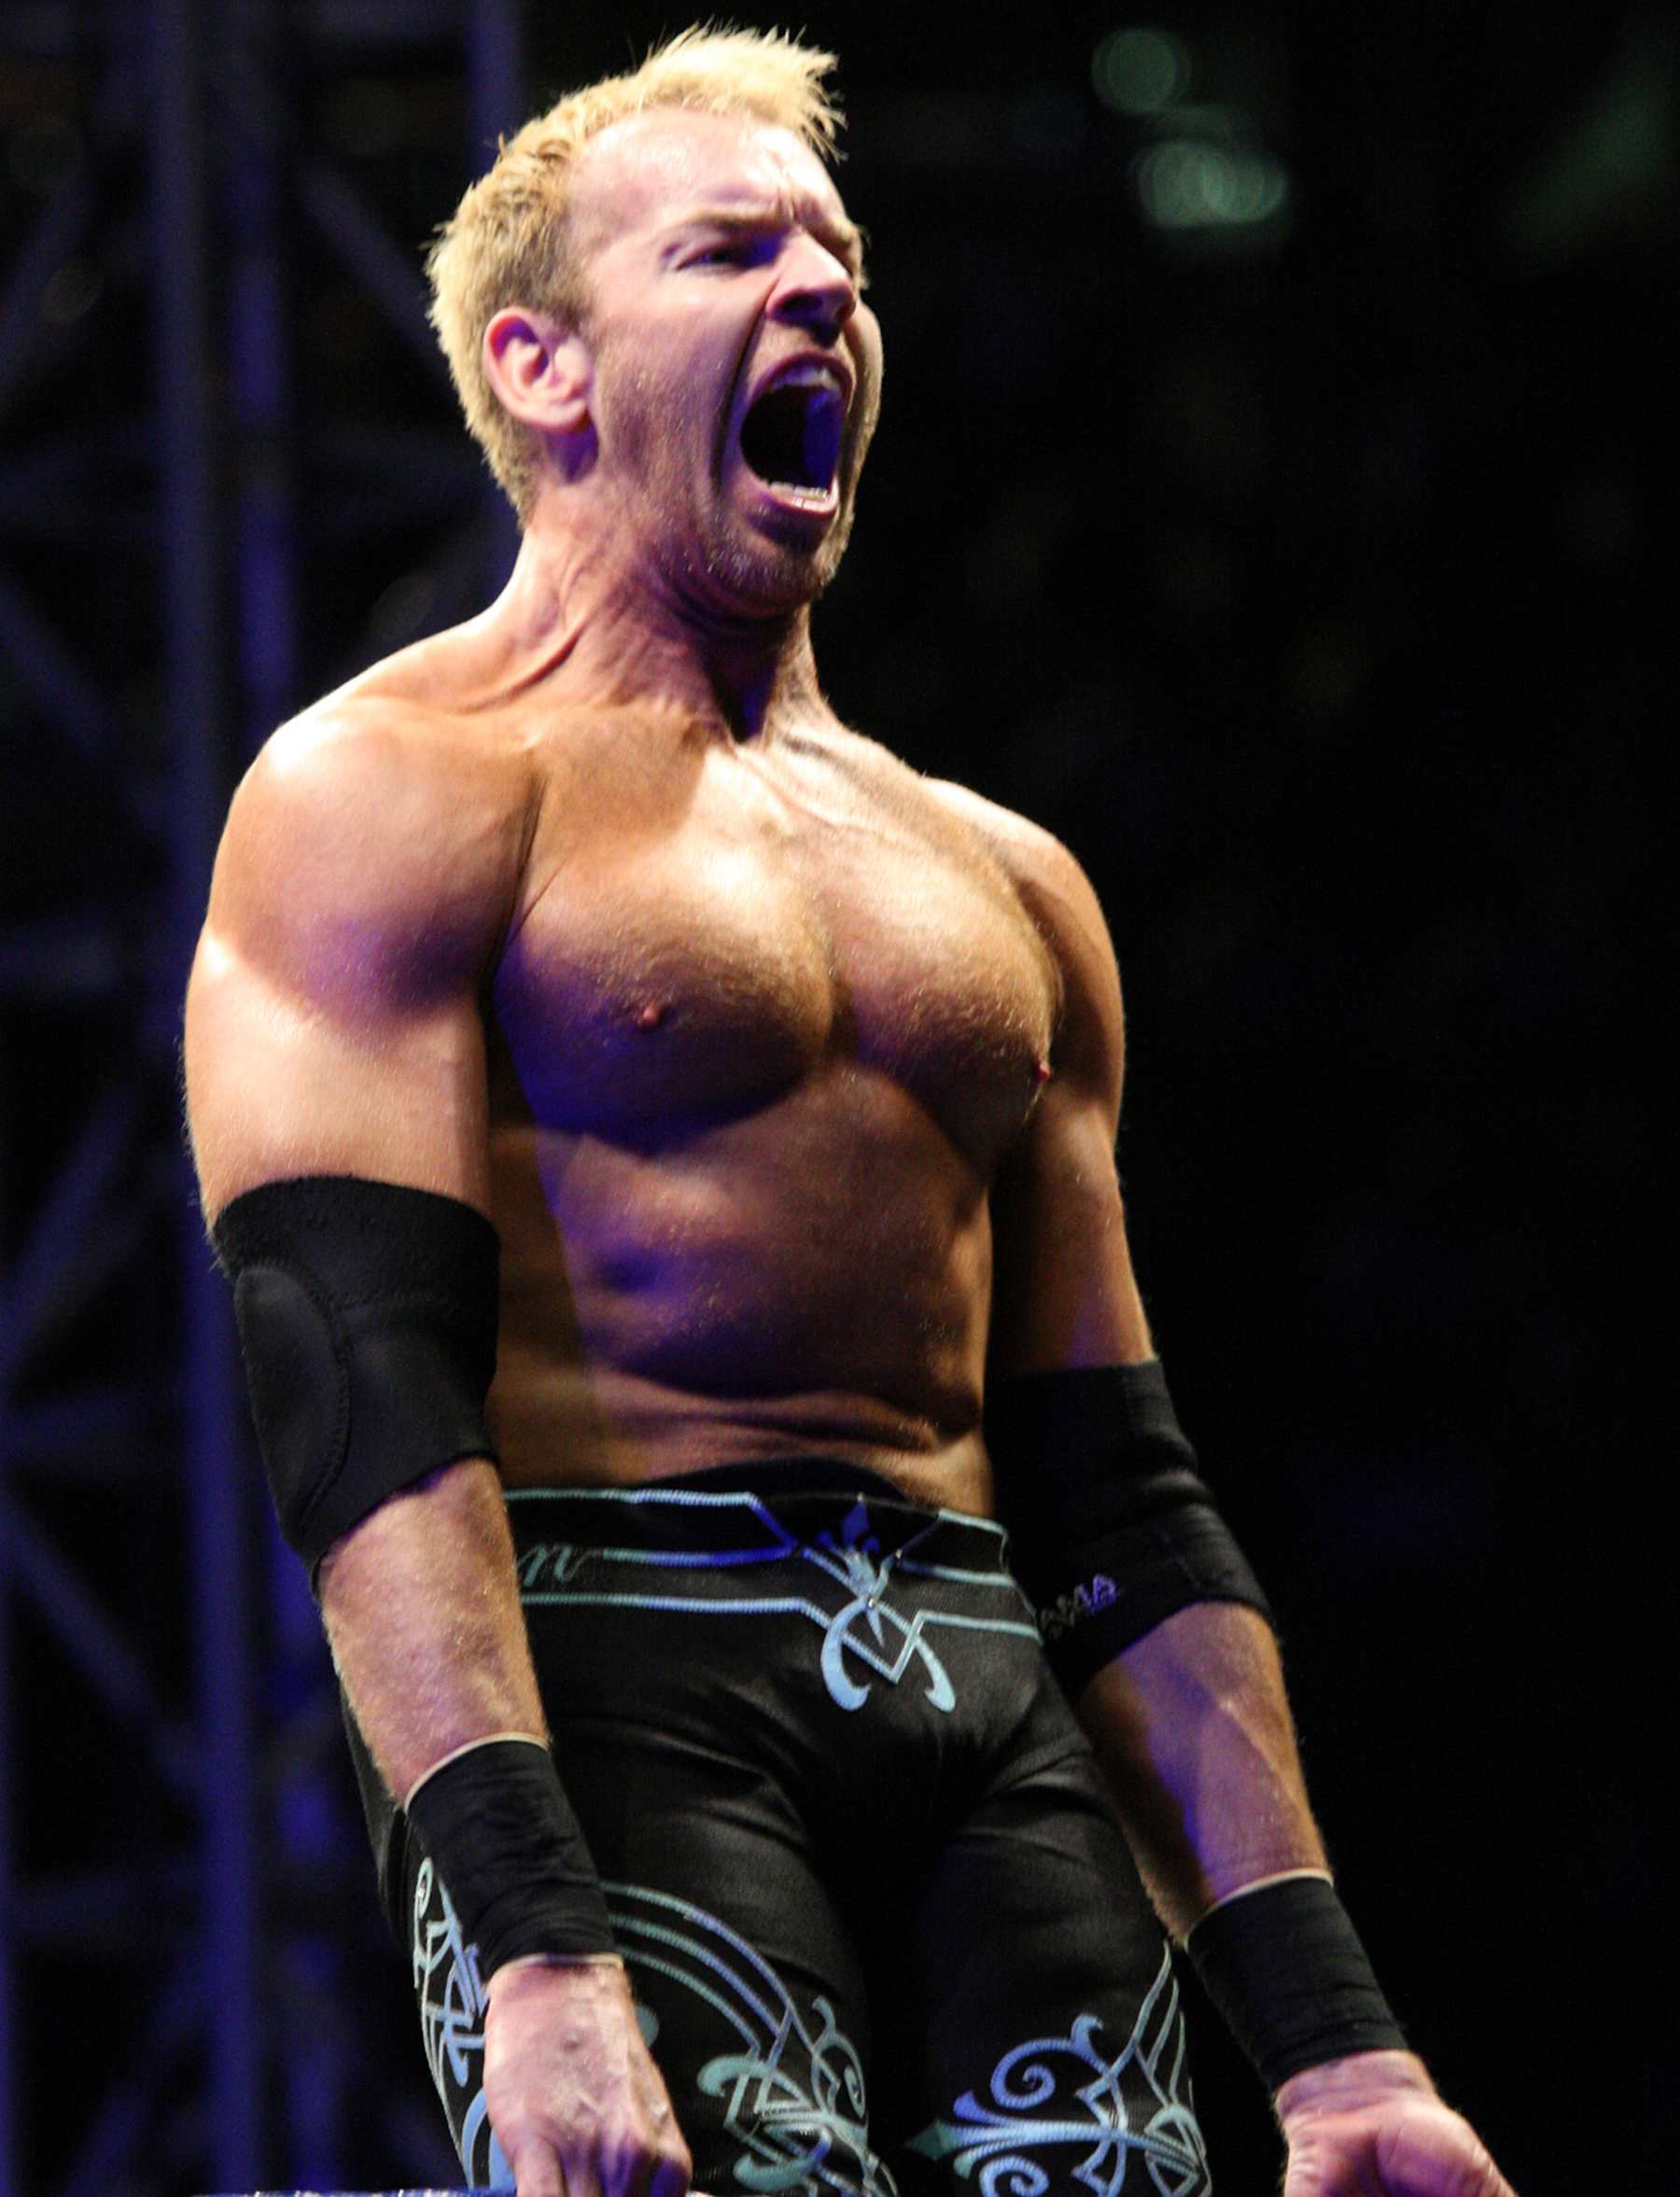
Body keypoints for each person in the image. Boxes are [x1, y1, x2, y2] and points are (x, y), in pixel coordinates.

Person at [184, 28, 1515, 2197]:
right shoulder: (392, 791)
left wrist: (1341, 2048)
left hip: (989, 1698)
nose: (820, 292)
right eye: (730, 252)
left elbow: (1121, 1492)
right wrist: (531, 1942)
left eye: (843, 257)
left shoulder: (1003, 885)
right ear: (543, 366)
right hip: (624, 1697)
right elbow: (361, 1401)